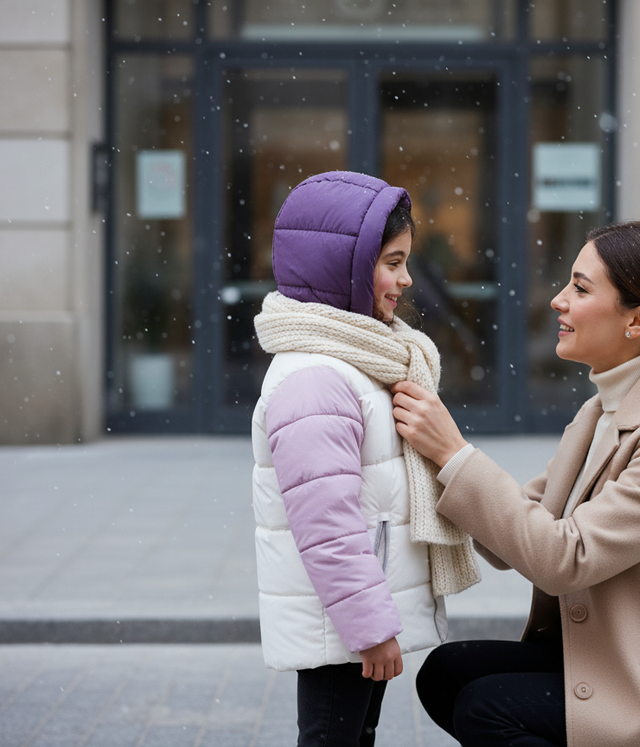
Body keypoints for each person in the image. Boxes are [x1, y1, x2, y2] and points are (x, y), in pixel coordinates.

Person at [393, 221, 640, 747]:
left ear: (639, 319)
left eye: (580, 288)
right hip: (617, 659)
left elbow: (564, 560)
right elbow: (518, 528)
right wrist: (420, 466)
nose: (558, 301)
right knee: (448, 672)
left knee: (487, 710)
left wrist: (452, 451)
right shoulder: (602, 409)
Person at [250, 171, 479, 747]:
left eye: (406, 261)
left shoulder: (358, 355)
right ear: (345, 269)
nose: (405, 279)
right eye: (392, 262)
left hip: (354, 610)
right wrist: (370, 628)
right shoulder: (315, 378)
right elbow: (326, 525)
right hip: (342, 624)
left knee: (355, 737)